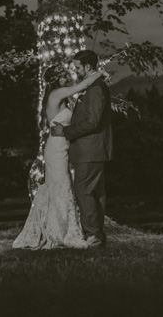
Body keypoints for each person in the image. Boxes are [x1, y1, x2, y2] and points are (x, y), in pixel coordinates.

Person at [13, 64, 106, 250]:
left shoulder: (61, 95)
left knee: (60, 186)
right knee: (60, 185)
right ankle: (59, 230)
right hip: (56, 149)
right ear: (55, 79)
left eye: (65, 75)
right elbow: (82, 86)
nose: (66, 78)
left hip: (62, 146)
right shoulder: (57, 93)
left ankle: (58, 226)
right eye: (62, 76)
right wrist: (100, 73)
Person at [50, 50, 113, 248]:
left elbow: (92, 122)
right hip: (91, 150)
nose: (76, 71)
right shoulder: (93, 86)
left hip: (90, 149)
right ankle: (96, 234)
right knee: (93, 192)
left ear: (87, 67)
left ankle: (93, 235)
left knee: (84, 190)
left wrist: (65, 131)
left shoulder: (95, 89)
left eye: (77, 67)